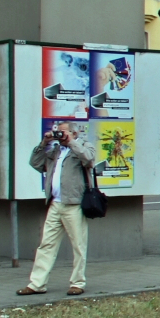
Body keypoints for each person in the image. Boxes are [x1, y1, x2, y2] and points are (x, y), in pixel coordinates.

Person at [18, 122, 98, 297]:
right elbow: (35, 163)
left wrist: (71, 142)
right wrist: (44, 143)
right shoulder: (56, 151)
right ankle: (37, 284)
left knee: (78, 245)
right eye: (58, 132)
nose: (59, 135)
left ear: (74, 133)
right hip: (55, 204)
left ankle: (78, 283)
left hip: (74, 204)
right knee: (46, 244)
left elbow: (89, 160)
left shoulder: (84, 146)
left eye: (63, 132)